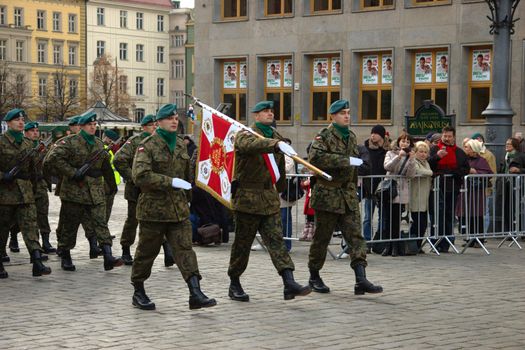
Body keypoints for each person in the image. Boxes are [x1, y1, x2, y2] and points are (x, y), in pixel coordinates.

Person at [130, 103, 216, 311]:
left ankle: (195, 292)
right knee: (146, 253)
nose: (174, 121)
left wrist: (189, 196)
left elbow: (186, 176)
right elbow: (140, 176)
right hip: (154, 211)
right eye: (169, 118)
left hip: (178, 210)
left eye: (176, 118)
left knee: (185, 250)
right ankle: (138, 290)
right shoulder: (147, 146)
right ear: (158, 122)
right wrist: (170, 182)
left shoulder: (180, 145)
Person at [228, 100, 311, 302]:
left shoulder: (276, 137)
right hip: (247, 198)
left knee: (277, 242)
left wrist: (282, 188)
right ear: (256, 116)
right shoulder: (245, 134)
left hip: (269, 199)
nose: (270, 114)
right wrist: (275, 145)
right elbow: (250, 146)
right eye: (265, 111)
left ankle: (288, 282)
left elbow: (279, 165)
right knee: (242, 244)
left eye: (271, 111)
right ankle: (234, 282)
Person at [307, 99, 383, 295]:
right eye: (343, 113)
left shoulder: (351, 136)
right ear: (333, 116)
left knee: (356, 237)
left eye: (348, 112)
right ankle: (314, 276)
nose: (347, 116)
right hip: (327, 194)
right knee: (321, 239)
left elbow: (359, 164)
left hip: (347, 194)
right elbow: (315, 158)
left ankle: (361, 279)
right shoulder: (323, 136)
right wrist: (346, 161)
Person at [44, 112, 122, 272]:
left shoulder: (99, 144)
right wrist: (72, 172)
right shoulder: (69, 142)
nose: (93, 127)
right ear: (81, 127)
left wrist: (112, 185)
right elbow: (52, 159)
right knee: (70, 226)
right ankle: (65, 254)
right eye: (89, 125)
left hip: (95, 191)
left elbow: (106, 167)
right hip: (74, 192)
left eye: (94, 124)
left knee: (101, 224)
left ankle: (108, 256)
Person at [113, 115, 174, 267]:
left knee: (160, 219)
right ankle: (126, 249)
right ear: (143, 127)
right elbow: (118, 159)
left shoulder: (162, 141)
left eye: (155, 124)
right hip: (137, 190)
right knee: (133, 220)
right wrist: (133, 177)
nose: (154, 127)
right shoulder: (134, 142)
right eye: (151, 125)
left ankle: (168, 251)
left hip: (156, 189)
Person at [0, 108, 52, 278]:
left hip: (26, 193)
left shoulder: (27, 144)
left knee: (30, 227)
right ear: (8, 123)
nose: (21, 122)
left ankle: (37, 262)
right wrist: (3, 176)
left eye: (22, 119)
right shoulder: (1, 142)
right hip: (5, 194)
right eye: (17, 120)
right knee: (2, 229)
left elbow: (33, 171)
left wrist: (35, 190)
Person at [428, 126, 470, 253]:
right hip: (437, 187)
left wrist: (453, 172)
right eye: (444, 136)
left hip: (452, 188)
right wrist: (437, 157)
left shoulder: (459, 152)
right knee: (437, 215)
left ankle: (446, 243)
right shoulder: (434, 149)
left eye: (449, 136)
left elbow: (465, 169)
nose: (446, 138)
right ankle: (436, 242)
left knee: (449, 215)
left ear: (454, 137)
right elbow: (428, 164)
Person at [381, 133, 416, 256]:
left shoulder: (410, 156)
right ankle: (387, 245)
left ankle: (395, 246)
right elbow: (387, 167)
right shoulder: (390, 153)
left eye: (407, 142)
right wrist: (398, 157)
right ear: (398, 142)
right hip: (389, 188)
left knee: (396, 220)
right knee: (387, 219)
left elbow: (411, 174)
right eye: (403, 141)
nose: (405, 143)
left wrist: (411, 160)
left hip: (400, 190)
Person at [456, 139, 493, 247]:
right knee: (467, 215)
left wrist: (476, 172)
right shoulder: (464, 159)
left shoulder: (481, 160)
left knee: (477, 215)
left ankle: (479, 239)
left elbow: (488, 173)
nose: (465, 149)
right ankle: (470, 238)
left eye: (467, 147)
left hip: (476, 193)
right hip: (465, 191)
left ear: (473, 149)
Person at [361, 125, 389, 251]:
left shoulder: (387, 150)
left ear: (382, 136)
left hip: (383, 187)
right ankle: (367, 241)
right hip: (369, 186)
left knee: (382, 216)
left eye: (376, 133)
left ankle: (379, 241)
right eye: (372, 133)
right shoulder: (365, 149)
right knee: (368, 217)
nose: (373, 135)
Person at [409, 141, 433, 252]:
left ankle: (417, 245)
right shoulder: (414, 161)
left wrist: (428, 172)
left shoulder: (426, 163)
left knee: (423, 224)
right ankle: (412, 244)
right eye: (421, 152)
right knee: (417, 223)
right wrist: (431, 172)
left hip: (424, 198)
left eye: (425, 152)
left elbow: (425, 171)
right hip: (416, 197)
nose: (423, 154)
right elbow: (418, 171)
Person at [280, 139, 297, 252]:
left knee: (285, 218)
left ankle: (286, 244)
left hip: (285, 192)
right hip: (276, 192)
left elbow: (286, 168)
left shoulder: (288, 155)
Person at [101, 129, 121, 224]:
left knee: (106, 210)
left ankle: (103, 231)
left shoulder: (108, 148)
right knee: (105, 210)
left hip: (109, 183)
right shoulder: (105, 149)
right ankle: (102, 233)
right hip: (106, 184)